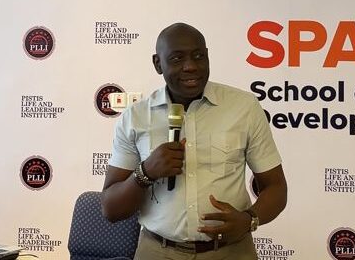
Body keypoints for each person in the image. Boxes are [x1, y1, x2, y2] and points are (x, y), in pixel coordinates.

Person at [101, 23, 287, 259]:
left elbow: (276, 188)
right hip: (157, 251)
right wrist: (146, 172)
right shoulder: (135, 117)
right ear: (158, 64)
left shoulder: (244, 108)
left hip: (232, 252)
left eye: (199, 56)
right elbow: (111, 209)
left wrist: (249, 220)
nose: (190, 66)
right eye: (177, 58)